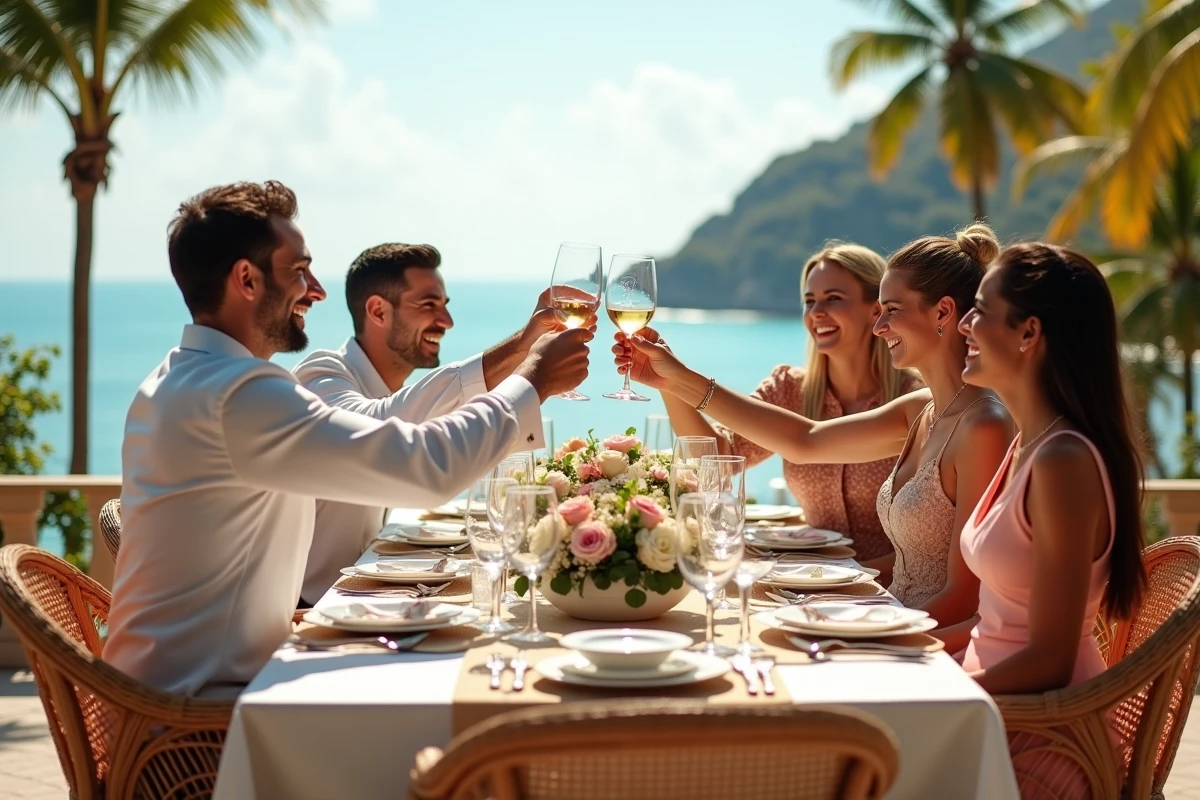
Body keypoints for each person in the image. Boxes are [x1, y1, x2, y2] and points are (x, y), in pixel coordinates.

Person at [103, 181, 592, 697]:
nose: (315, 290)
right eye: (299, 271)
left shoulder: (176, 377)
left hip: (164, 692)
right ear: (246, 280)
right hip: (194, 717)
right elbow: (421, 467)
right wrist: (531, 380)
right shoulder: (239, 394)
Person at [613, 224, 1013, 631]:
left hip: (918, 639)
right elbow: (804, 440)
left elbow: (966, 596)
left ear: (943, 312)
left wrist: (872, 633)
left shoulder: (983, 426)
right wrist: (673, 379)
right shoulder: (919, 410)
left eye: (891, 310)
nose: (880, 326)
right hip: (885, 615)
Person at [293, 243, 594, 604]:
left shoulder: (393, 392)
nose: (446, 321)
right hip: (308, 612)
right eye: (429, 305)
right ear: (377, 311)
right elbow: (385, 432)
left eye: (445, 306)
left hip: (366, 603)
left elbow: (409, 415)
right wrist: (529, 368)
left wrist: (525, 344)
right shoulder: (320, 377)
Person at [954, 243, 1146, 798]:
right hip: (1002, 715)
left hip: (1044, 738)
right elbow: (1000, 621)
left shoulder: (1064, 462)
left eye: (981, 310)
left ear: (1028, 332)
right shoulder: (1028, 446)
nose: (965, 323)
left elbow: (1052, 660)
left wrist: (949, 697)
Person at [652, 243, 922, 562]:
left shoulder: (915, 400)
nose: (816, 312)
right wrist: (668, 383)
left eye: (833, 298)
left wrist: (858, 577)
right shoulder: (789, 390)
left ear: (875, 310)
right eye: (810, 301)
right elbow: (716, 460)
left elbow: (932, 545)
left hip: (889, 593)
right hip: (812, 583)